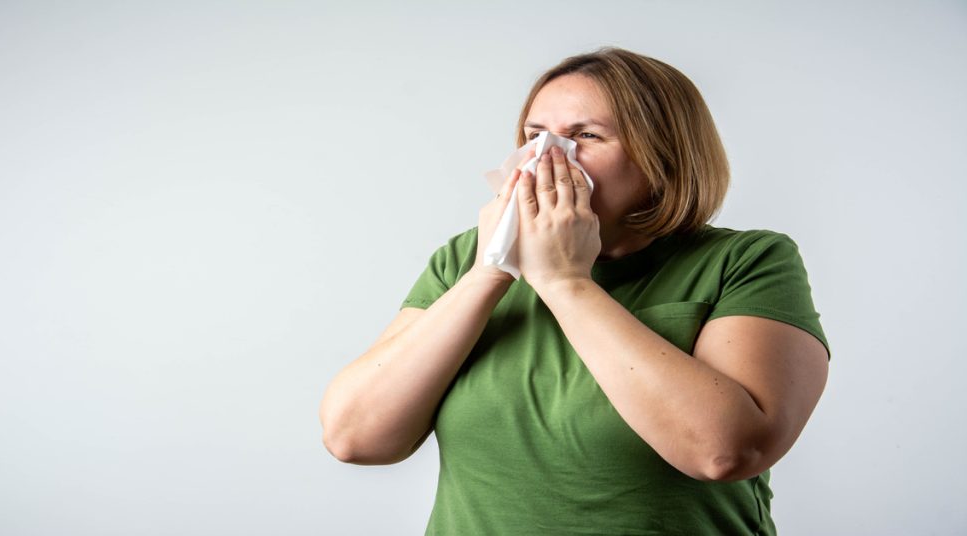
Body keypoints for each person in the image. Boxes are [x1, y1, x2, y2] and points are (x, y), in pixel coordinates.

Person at [320, 47, 829, 535]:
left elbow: (724, 452)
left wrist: (564, 282)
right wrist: (490, 271)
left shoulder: (746, 261)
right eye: (534, 133)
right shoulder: (464, 260)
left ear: (663, 157)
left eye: (585, 134)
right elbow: (355, 438)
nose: (547, 155)